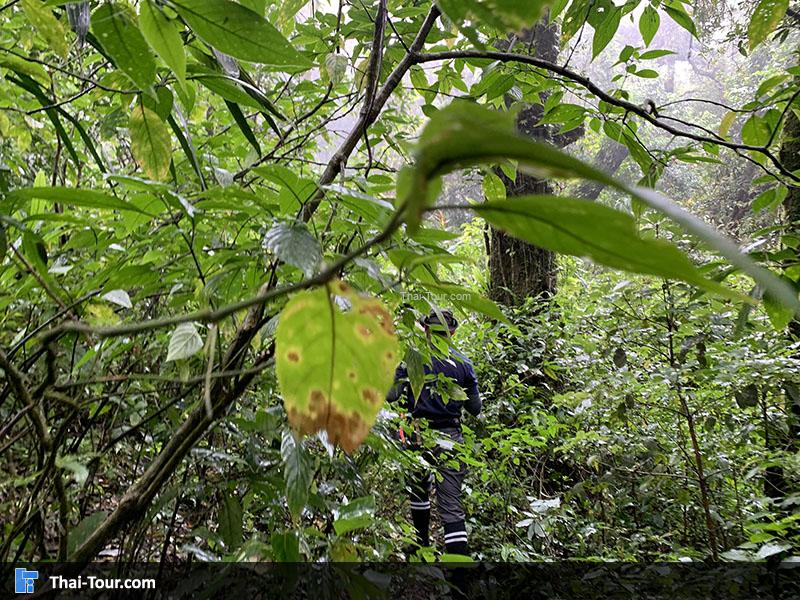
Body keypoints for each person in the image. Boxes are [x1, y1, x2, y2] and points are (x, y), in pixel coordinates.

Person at [387, 308, 482, 557]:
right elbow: (475, 408)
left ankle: (421, 545)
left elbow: (391, 395)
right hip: (451, 437)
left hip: (417, 436)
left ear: (427, 330)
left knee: (419, 490)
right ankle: (458, 570)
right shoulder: (464, 363)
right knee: (451, 505)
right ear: (452, 333)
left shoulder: (412, 360)